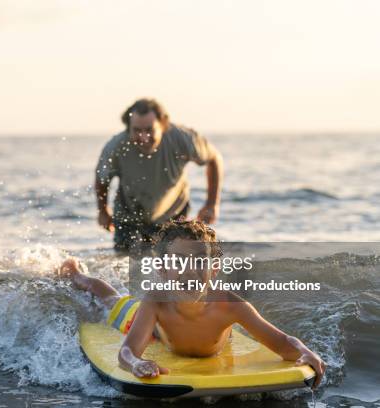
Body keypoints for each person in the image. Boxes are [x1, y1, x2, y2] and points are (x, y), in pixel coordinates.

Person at [58, 220, 326, 388]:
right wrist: (136, 364)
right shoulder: (156, 301)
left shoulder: (230, 305)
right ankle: (77, 274)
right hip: (146, 326)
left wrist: (305, 352)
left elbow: (283, 342)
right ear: (162, 269)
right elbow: (126, 352)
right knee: (109, 299)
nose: (189, 271)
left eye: (200, 261)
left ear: (215, 269)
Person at [95, 98, 224, 252]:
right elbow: (101, 178)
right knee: (127, 266)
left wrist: (211, 204)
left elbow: (214, 159)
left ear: (163, 126)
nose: (143, 137)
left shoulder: (182, 138)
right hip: (129, 215)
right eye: (137, 130)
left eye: (149, 130)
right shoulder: (115, 146)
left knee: (174, 265)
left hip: (174, 213)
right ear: (128, 128)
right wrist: (102, 211)